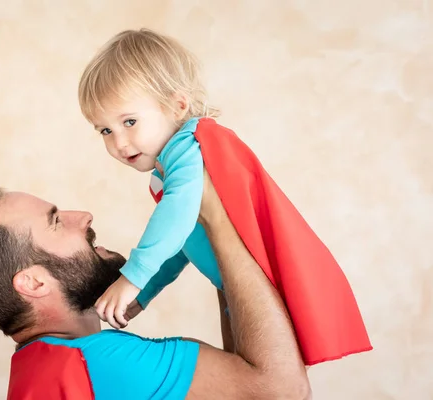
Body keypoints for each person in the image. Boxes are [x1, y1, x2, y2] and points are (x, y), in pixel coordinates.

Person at [78, 28, 372, 365]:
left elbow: (176, 215)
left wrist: (133, 277)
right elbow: (183, 239)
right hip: (240, 291)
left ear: (177, 105)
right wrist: (144, 291)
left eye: (129, 121)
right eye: (105, 130)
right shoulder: (168, 168)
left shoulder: (189, 147)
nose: (118, 142)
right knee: (245, 381)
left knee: (267, 384)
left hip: (262, 291)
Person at [0, 172, 311, 399]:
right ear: (33, 282)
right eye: (54, 222)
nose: (83, 217)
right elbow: (281, 392)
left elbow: (240, 382)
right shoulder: (98, 363)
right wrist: (215, 219)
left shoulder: (41, 370)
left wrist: (214, 252)